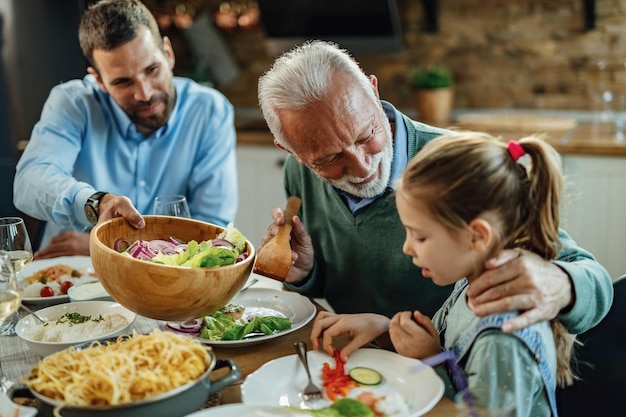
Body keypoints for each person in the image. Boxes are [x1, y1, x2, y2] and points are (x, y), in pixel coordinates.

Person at [257, 40, 612, 335]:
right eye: (330, 158)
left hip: (450, 377)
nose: (363, 166)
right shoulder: (298, 174)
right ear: (293, 152)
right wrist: (307, 273)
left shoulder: (455, 165)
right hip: (366, 364)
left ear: (374, 90)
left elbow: (595, 281)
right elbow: (339, 286)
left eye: (368, 134)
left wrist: (562, 284)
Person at [313, 132, 575, 416]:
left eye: (421, 237)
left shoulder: (504, 337)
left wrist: (430, 359)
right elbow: (446, 351)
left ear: (477, 237)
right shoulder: (472, 280)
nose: (407, 248)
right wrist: (387, 330)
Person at [13, 0, 237, 259]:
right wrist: (96, 203)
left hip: (163, 282)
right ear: (99, 81)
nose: (145, 93)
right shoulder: (73, 103)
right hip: (72, 276)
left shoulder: (209, 111)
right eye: (122, 81)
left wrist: (106, 245)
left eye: (152, 70)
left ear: (168, 53)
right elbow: (29, 181)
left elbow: (210, 227)